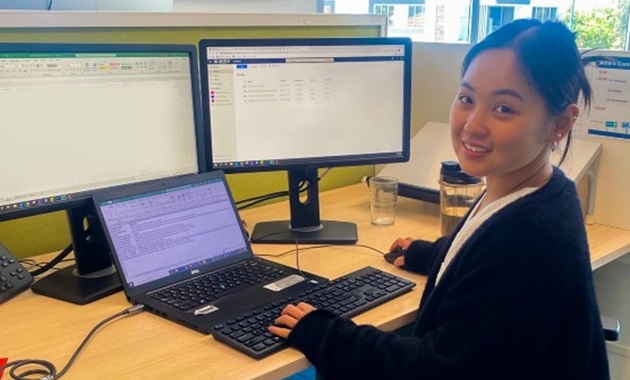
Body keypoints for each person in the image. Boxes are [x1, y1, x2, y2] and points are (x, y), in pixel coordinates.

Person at [268, 18, 610, 380]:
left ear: (560, 124)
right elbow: (490, 269)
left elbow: (442, 368)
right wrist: (431, 255)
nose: (473, 124)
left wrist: (327, 335)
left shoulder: (531, 237)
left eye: (504, 109)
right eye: (467, 98)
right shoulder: (543, 190)